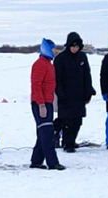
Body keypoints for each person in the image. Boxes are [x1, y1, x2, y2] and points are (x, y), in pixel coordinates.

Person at [53, 32, 96, 152]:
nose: (75, 49)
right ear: (68, 45)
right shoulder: (60, 59)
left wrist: (89, 91)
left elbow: (87, 75)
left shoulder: (82, 57)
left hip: (79, 95)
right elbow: (57, 79)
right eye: (73, 46)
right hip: (65, 96)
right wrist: (60, 94)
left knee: (77, 121)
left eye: (77, 47)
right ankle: (67, 144)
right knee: (67, 121)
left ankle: (71, 141)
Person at [30, 38, 66, 170]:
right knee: (47, 133)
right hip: (41, 103)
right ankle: (52, 162)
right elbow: (36, 86)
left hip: (47, 102)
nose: (55, 51)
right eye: (53, 48)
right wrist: (41, 104)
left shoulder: (48, 65)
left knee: (43, 133)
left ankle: (36, 161)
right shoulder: (39, 65)